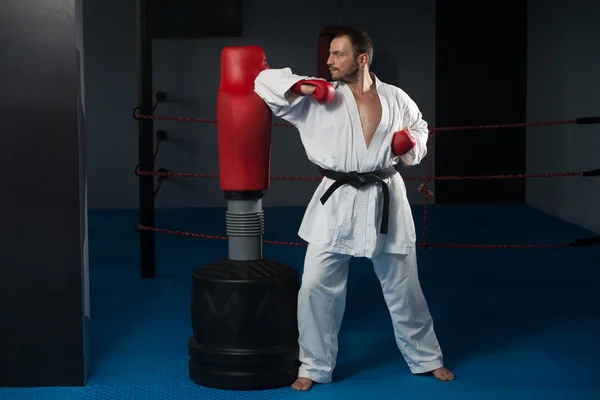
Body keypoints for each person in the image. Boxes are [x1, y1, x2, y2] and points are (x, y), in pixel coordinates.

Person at [253, 27, 454, 391]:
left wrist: (409, 145)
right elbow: (263, 81)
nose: (329, 61)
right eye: (329, 53)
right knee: (315, 286)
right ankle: (313, 365)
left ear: (361, 59)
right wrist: (301, 86)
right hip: (337, 201)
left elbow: (421, 129)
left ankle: (426, 358)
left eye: (338, 54)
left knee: (404, 286)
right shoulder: (319, 97)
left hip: (384, 199)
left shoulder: (396, 98)